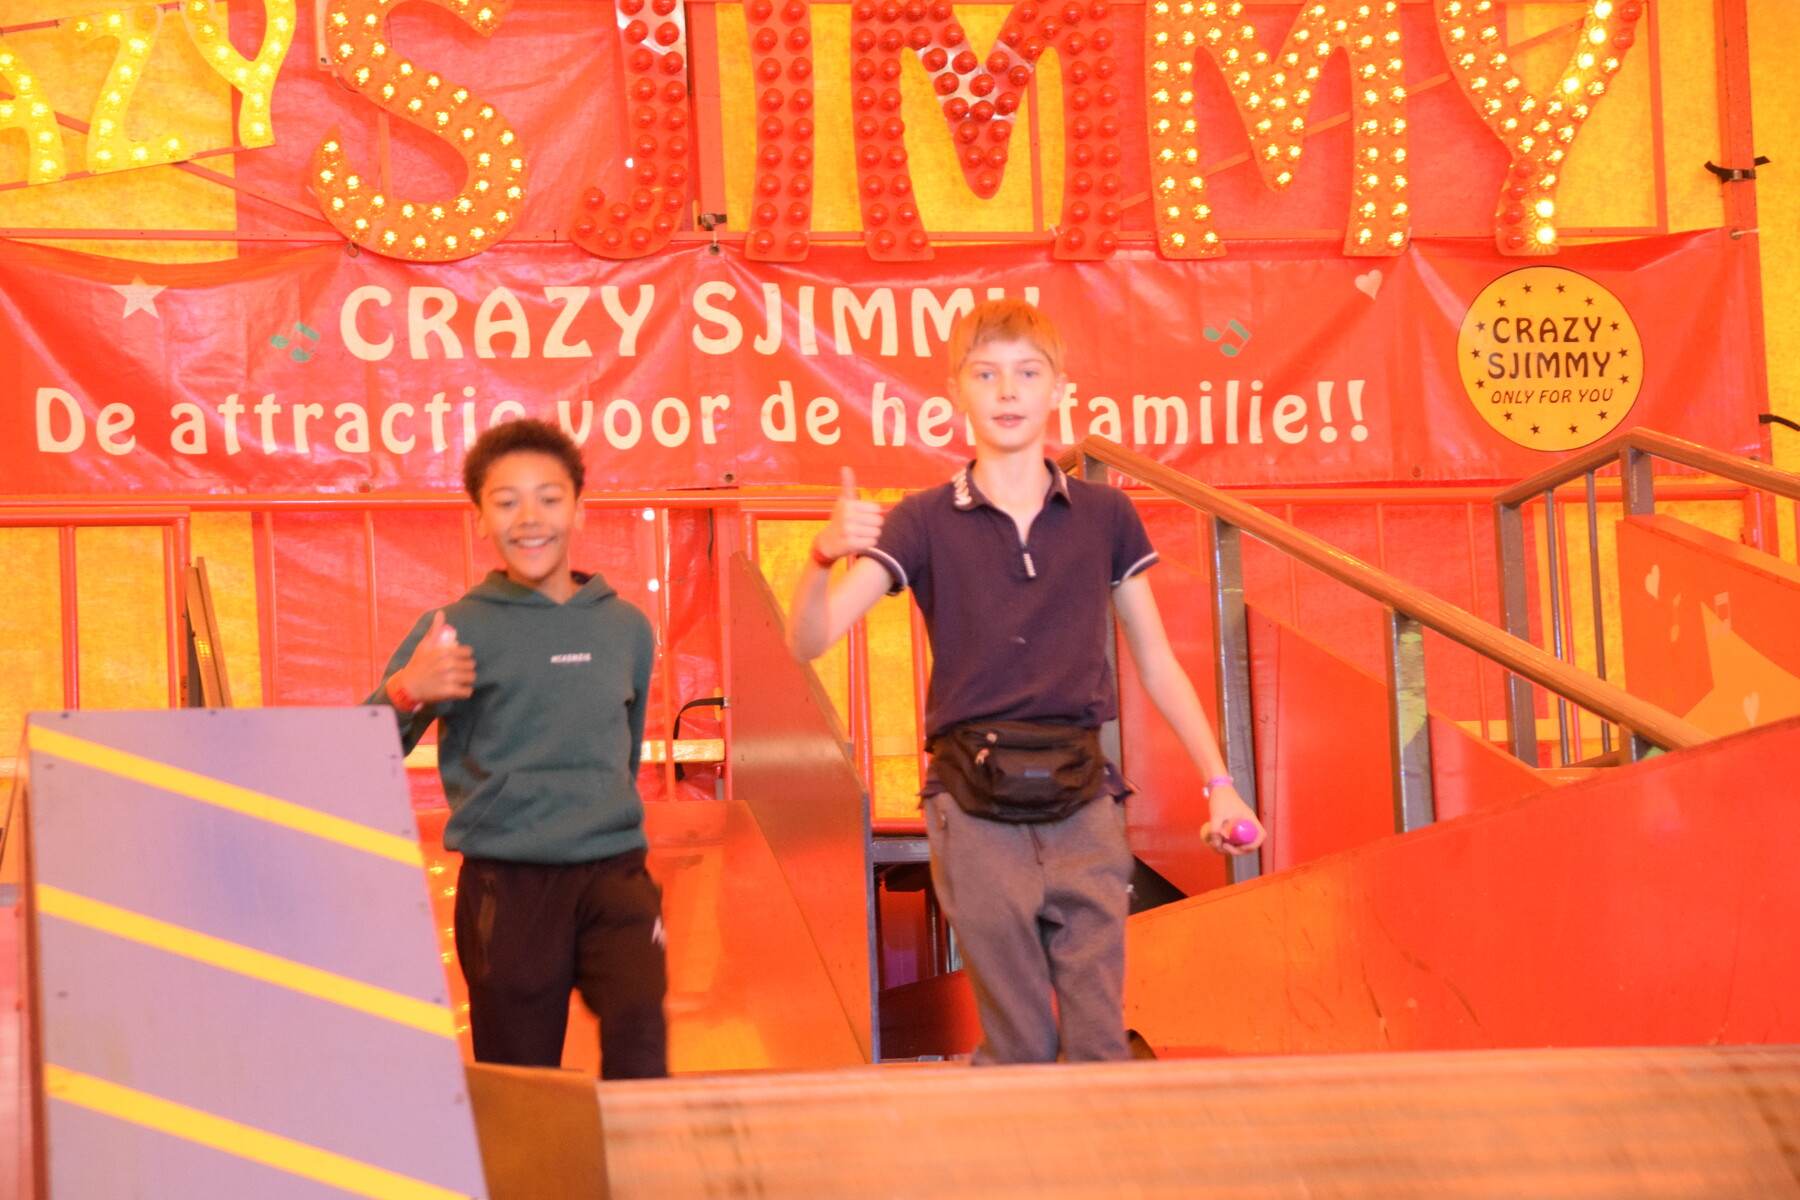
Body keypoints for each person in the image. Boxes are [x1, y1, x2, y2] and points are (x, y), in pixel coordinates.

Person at [787, 299, 1262, 1065]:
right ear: (956, 391)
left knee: (1100, 1044)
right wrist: (820, 557)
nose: (1007, 391)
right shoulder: (921, 520)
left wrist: (1220, 784)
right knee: (1022, 1047)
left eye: (1028, 373)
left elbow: (1158, 662)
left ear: (1059, 389)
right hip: (971, 803)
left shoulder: (1106, 516)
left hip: (1082, 796)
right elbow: (808, 640)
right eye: (986, 374)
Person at [367, 418, 667, 1079]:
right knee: (520, 1081)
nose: (530, 518)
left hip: (615, 872)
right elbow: (358, 751)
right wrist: (408, 689)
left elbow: (623, 751)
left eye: (549, 498)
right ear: (480, 518)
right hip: (506, 887)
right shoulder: (455, 628)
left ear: (579, 509)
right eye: (506, 501)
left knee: (641, 1040)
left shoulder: (626, 628)